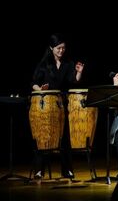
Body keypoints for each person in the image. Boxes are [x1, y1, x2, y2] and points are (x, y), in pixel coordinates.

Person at [31, 33, 85, 180]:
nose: (61, 51)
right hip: (47, 105)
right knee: (44, 135)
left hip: (63, 103)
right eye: (58, 48)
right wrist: (40, 89)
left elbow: (74, 81)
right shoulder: (44, 64)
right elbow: (34, 83)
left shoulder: (68, 63)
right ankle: (39, 170)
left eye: (63, 48)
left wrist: (79, 73)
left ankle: (67, 170)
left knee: (65, 137)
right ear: (51, 48)